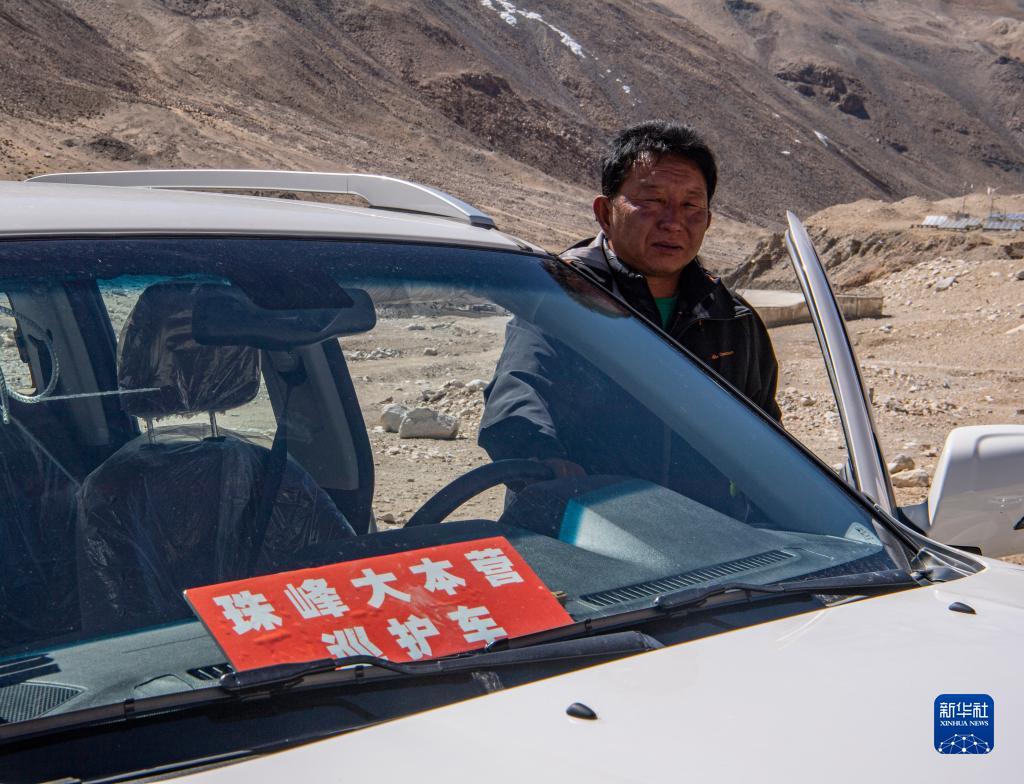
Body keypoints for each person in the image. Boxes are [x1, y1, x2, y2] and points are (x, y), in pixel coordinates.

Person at [478, 121, 781, 496]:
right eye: (652, 202)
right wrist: (544, 462)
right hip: (584, 522)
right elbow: (518, 396)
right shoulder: (562, 298)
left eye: (691, 205)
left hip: (708, 530)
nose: (673, 223)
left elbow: (768, 446)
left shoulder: (731, 318)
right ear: (605, 213)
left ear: (708, 220)